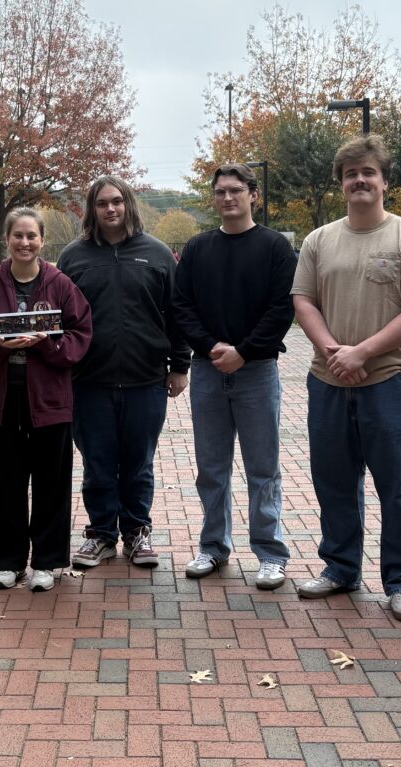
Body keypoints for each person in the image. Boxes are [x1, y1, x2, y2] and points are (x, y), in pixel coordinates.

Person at [291, 135, 401, 622]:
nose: (360, 180)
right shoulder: (319, 240)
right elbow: (304, 300)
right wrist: (333, 350)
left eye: (368, 172)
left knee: (398, 486)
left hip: (391, 382)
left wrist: (363, 352)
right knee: (333, 482)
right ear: (341, 184)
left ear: (385, 181)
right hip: (328, 380)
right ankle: (340, 569)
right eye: (351, 173)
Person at [0, 208, 92, 591]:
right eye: (18, 235)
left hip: (49, 400)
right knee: (6, 482)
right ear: (7, 239)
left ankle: (47, 561)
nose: (25, 242)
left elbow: (81, 332)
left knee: (51, 481)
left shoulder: (60, 284)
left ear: (42, 240)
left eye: (31, 236)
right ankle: (9, 561)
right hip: (3, 399)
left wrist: (50, 345)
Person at [172, 164, 297, 585]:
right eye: (221, 191)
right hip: (208, 372)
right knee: (211, 467)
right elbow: (181, 305)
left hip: (257, 372)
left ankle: (270, 552)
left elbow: (282, 309)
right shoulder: (197, 248)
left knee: (263, 468)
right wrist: (209, 348)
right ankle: (213, 547)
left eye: (236, 191)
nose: (228, 198)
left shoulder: (275, 247)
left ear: (253, 195)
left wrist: (243, 352)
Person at [57, 176, 190, 570]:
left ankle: (136, 531)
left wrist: (180, 365)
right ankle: (101, 534)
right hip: (88, 381)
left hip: (146, 379)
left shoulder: (158, 253)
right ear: (92, 209)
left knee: (138, 462)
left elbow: (176, 314)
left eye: (117, 202)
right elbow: (60, 317)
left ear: (128, 205)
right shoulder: (74, 257)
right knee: (97, 462)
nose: (110, 209)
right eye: (102, 204)